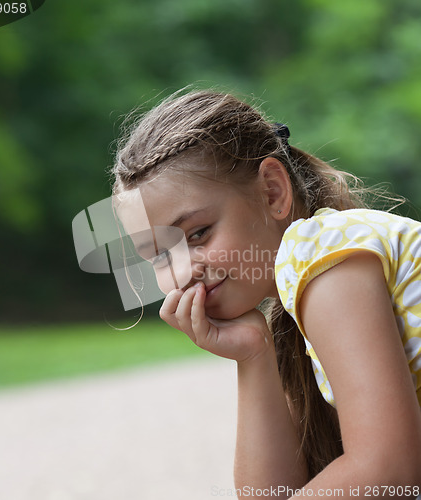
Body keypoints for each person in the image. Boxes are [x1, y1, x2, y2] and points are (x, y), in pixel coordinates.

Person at [111, 89, 421, 497]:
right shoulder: (301, 289)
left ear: (273, 191)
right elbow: (269, 494)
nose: (184, 272)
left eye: (198, 233)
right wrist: (253, 354)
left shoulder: (321, 251)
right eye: (158, 256)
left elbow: (389, 469)